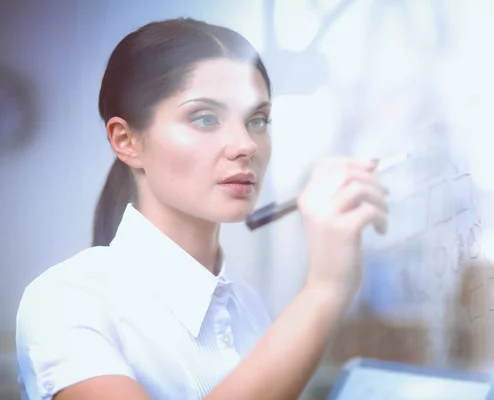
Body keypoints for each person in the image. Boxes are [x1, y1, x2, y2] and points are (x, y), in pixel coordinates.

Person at [15, 18, 389, 400]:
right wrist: (325, 289)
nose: (246, 144)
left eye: (257, 120)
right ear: (126, 141)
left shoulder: (248, 306)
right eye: (205, 118)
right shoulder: (64, 299)